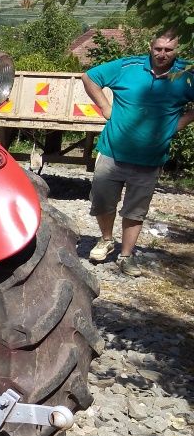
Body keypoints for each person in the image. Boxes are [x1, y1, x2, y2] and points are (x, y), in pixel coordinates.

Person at [81, 29, 194, 276]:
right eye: (158, 49)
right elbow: (89, 77)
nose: (162, 54)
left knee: (135, 210)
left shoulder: (186, 75)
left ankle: (126, 255)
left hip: (150, 157)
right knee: (102, 201)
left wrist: (180, 123)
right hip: (113, 151)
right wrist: (105, 107)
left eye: (168, 50)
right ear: (150, 47)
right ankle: (107, 239)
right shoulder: (128, 66)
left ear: (177, 50)